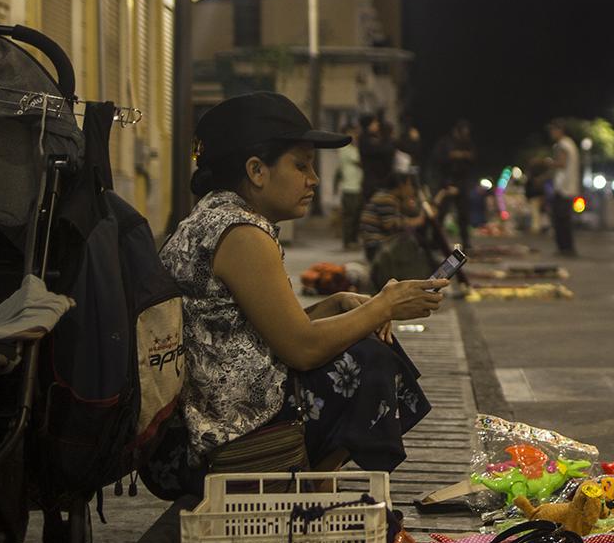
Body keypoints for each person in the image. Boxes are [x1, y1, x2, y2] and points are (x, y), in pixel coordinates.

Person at [143, 92, 446, 503]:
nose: (314, 180)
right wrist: (385, 304)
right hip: (223, 429)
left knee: (362, 343)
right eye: (301, 165)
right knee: (371, 359)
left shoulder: (215, 218)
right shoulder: (240, 232)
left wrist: (333, 303)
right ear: (256, 171)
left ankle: (310, 485)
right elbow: (301, 349)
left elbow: (243, 327)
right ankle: (306, 491)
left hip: (211, 414)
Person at [360, 165, 432, 286]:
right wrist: (417, 221)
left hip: (381, 244)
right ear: (401, 185)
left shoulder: (390, 197)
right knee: (411, 242)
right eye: (409, 185)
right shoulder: (386, 199)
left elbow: (405, 215)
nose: (411, 189)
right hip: (377, 246)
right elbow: (390, 224)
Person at [434, 119, 477, 251]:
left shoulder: (467, 143)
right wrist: (453, 156)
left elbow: (473, 158)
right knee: (441, 212)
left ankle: (466, 241)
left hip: (462, 181)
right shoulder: (445, 142)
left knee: (463, 213)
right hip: (447, 180)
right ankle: (435, 241)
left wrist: (463, 156)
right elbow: (439, 159)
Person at [547, 121, 580, 256]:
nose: (551, 134)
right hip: (568, 186)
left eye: (553, 130)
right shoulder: (570, 144)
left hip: (563, 187)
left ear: (560, 130)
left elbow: (562, 163)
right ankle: (566, 247)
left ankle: (565, 248)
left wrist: (548, 162)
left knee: (560, 219)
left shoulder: (563, 145)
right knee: (564, 219)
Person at [335, 125, 364, 250]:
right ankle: (347, 242)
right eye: (352, 133)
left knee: (356, 215)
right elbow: (359, 161)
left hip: (357, 185)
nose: (355, 136)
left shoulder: (354, 148)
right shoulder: (345, 149)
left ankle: (353, 240)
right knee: (350, 216)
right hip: (350, 186)